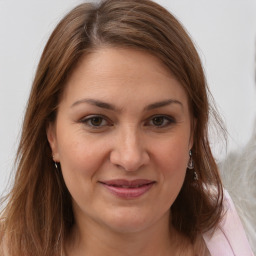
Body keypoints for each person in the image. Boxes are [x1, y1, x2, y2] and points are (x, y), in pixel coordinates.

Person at [0, 0, 253, 255]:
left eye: (158, 120)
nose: (130, 158)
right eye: (96, 121)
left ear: (192, 134)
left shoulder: (242, 231)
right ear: (52, 136)